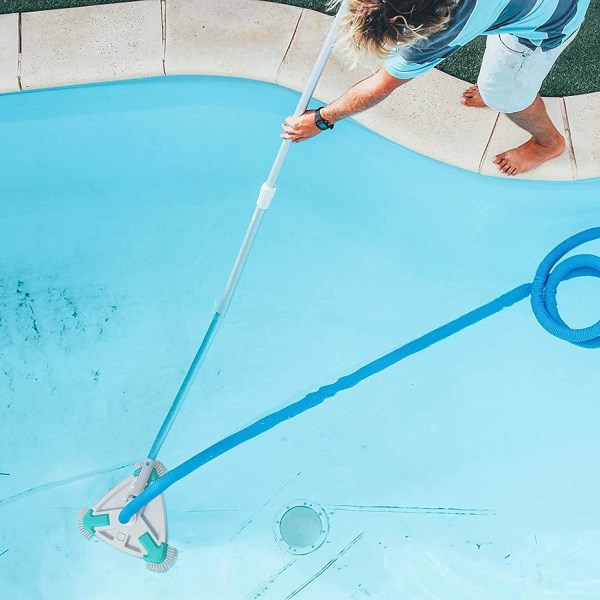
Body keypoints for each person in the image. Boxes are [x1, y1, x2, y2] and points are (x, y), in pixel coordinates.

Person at [281, 0, 591, 176]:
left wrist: (323, 118)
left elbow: (381, 84)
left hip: (550, 20)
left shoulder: (441, 33)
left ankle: (547, 142)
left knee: (504, 94)